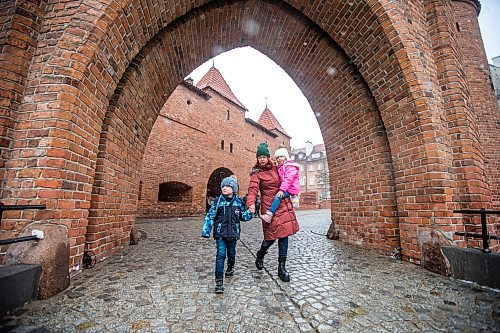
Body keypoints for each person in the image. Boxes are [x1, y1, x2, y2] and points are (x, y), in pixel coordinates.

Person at [246, 142, 300, 282]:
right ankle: (261, 253)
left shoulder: (277, 168)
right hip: (269, 207)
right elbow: (252, 190)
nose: (262, 159)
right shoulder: (257, 174)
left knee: (284, 235)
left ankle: (281, 267)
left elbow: (288, 176)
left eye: (264, 156)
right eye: (260, 157)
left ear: (269, 157)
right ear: (257, 159)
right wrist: (250, 203)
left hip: (282, 204)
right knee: (270, 238)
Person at [201, 176, 253, 293]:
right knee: (220, 255)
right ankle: (219, 282)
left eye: (228, 186)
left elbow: (243, 217)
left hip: (233, 234)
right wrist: (206, 230)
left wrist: (250, 213)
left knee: (231, 254)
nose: (224, 188)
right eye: (223, 186)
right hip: (220, 234)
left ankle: (230, 267)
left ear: (233, 188)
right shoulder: (217, 202)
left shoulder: (238, 202)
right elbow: (210, 216)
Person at [260, 146, 300, 223]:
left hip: (291, 188)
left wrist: (282, 190)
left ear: (286, 157)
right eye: (278, 157)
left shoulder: (290, 166)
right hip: (288, 187)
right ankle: (294, 198)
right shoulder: (281, 167)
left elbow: (288, 179)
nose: (279, 159)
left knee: (278, 196)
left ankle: (269, 214)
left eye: (281, 156)